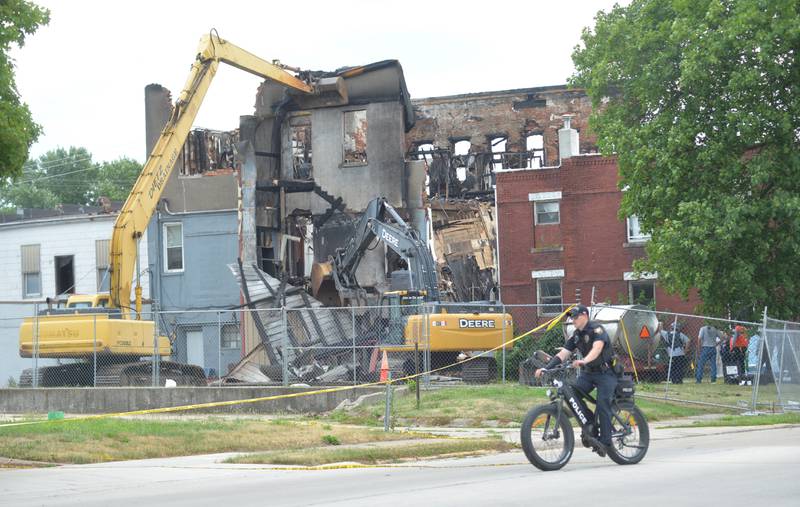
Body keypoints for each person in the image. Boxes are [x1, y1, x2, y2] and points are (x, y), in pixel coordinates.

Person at [535, 305, 617, 455]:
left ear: (585, 315)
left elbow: (597, 348)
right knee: (573, 394)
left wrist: (584, 361)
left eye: (575, 317)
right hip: (588, 374)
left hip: (606, 373)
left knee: (603, 403)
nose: (573, 320)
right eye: (571, 317)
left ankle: (606, 443)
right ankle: (590, 422)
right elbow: (563, 353)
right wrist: (547, 368)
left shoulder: (597, 329)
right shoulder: (577, 335)